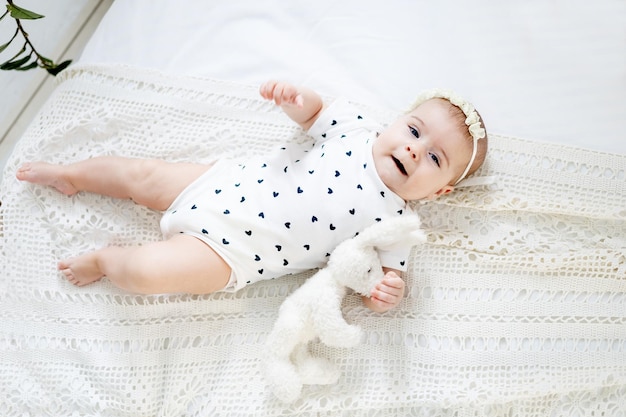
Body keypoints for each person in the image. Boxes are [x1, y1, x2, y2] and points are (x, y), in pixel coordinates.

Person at [15, 80, 488, 313]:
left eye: (433, 158)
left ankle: (105, 260)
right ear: (395, 121)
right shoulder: (355, 130)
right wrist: (294, 98)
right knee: (139, 175)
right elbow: (313, 113)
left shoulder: (398, 223)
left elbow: (388, 279)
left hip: (233, 255)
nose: (412, 148)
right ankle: (71, 174)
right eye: (413, 130)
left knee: (145, 274)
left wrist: (389, 292)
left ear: (440, 190)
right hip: (218, 184)